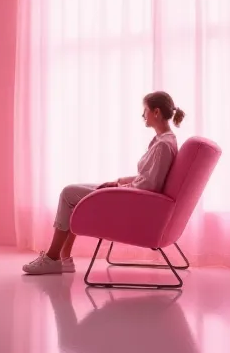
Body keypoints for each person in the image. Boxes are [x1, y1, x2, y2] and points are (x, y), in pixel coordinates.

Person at [22, 91, 185, 275]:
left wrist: (119, 188)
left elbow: (150, 187)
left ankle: (53, 258)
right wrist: (119, 182)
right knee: (73, 193)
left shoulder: (163, 145)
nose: (142, 115)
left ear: (156, 112)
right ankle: (64, 257)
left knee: (68, 194)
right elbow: (147, 177)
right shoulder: (163, 141)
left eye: (145, 110)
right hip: (131, 194)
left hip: (131, 201)